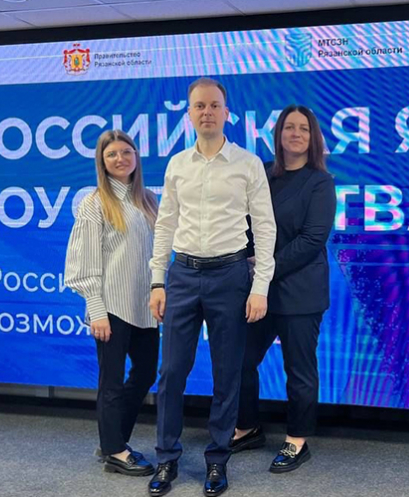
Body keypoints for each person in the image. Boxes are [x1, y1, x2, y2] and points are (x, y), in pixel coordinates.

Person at [147, 77, 277, 497]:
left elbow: (265, 227)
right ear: (189, 114)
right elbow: (165, 223)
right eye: (199, 106)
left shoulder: (247, 164)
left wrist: (260, 286)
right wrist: (157, 280)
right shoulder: (177, 165)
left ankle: (218, 459)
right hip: (183, 275)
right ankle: (166, 458)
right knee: (171, 372)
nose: (207, 112)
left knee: (227, 373)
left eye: (214, 105)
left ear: (226, 112)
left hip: (230, 276)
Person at [230, 105, 335, 473]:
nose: (296, 134)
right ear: (278, 134)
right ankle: (247, 427)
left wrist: (266, 268)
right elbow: (245, 223)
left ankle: (297, 440)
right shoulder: (262, 174)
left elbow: (312, 240)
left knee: (298, 369)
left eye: (303, 128)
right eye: (289, 127)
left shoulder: (320, 182)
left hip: (300, 291)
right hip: (259, 290)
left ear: (312, 137)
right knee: (240, 361)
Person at [64, 130, 160, 477]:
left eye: (126, 152)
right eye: (112, 154)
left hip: (144, 308)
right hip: (111, 309)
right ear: (102, 163)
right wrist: (97, 311)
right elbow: (83, 262)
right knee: (112, 381)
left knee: (146, 373)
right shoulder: (94, 204)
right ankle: (116, 452)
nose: (120, 159)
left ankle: (112, 438)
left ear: (136, 156)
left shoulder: (148, 200)